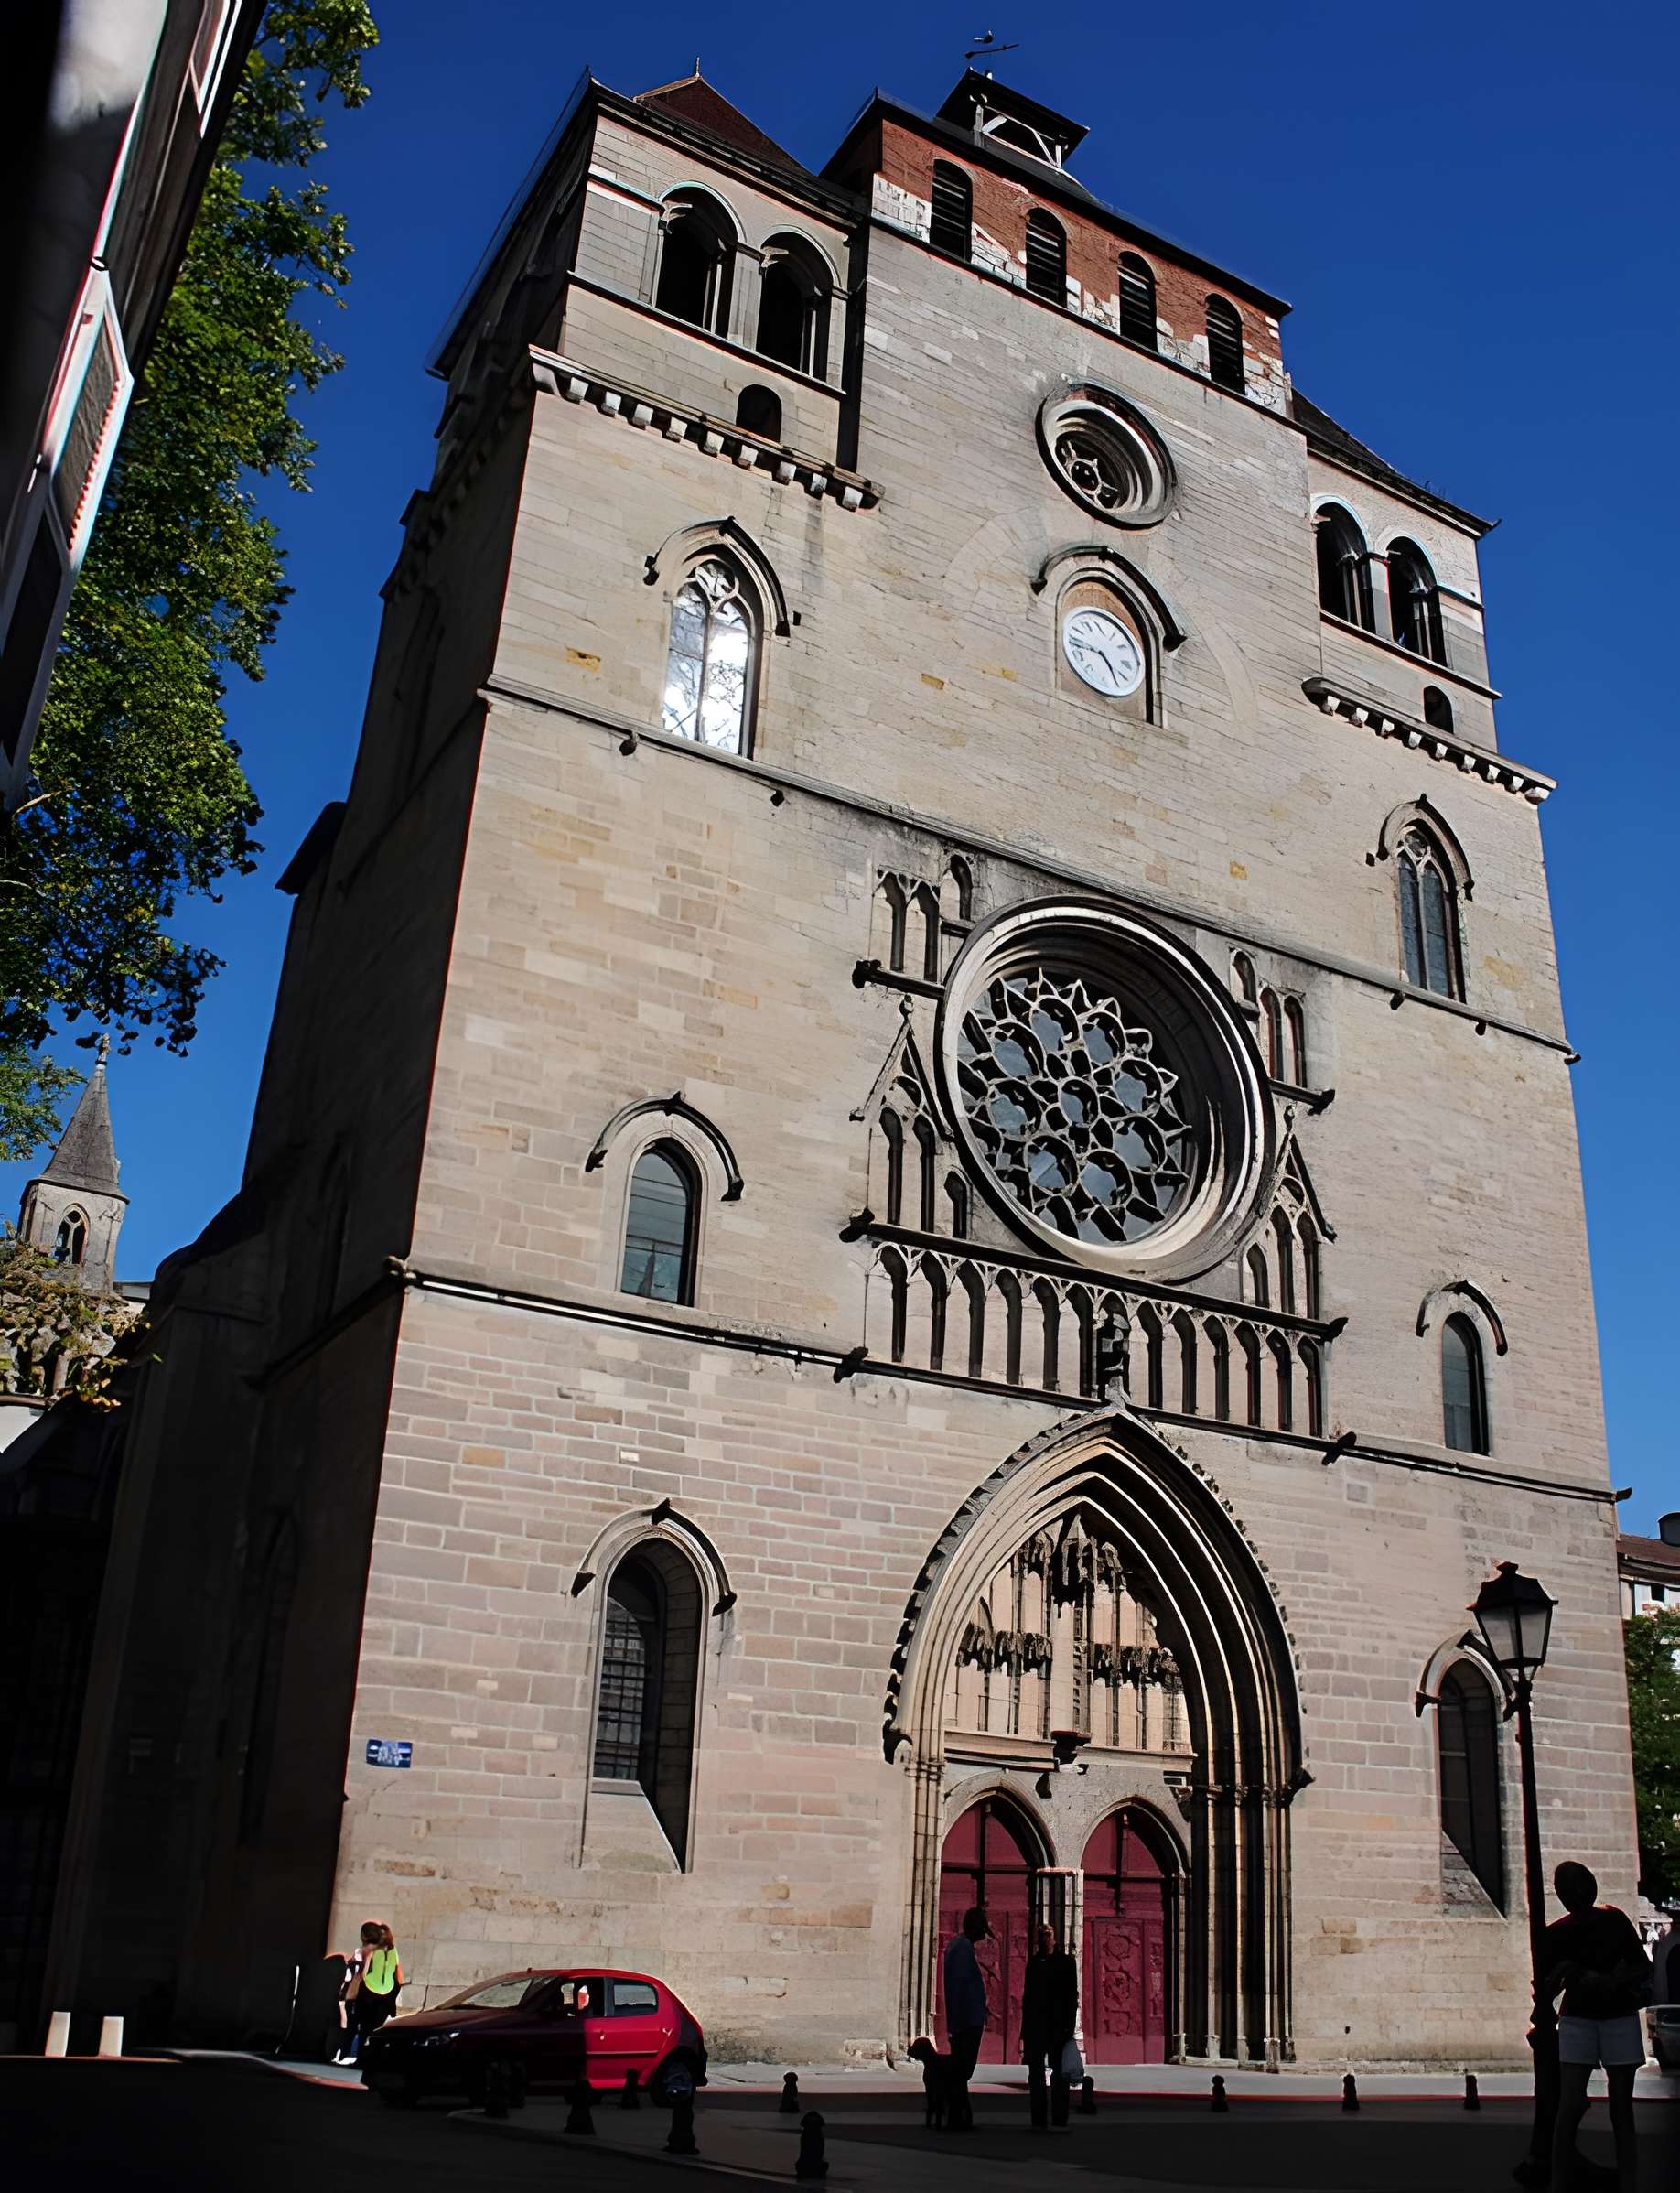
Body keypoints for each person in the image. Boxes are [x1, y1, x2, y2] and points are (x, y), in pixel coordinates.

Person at [1538, 1862, 1650, 2193]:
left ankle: (1623, 2179)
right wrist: (1563, 1973)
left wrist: (1610, 1980)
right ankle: (1565, 2179)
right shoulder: (1560, 1932)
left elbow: (1640, 1966)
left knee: (1612, 2105)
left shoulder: (1611, 1921)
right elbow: (1546, 1988)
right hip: (1586, 2018)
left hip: (1609, 2016)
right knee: (1577, 2104)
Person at [1020, 1921, 1079, 2129]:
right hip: (1037, 2027)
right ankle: (1038, 2117)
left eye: (1048, 1934)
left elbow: (1072, 1997)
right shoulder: (1033, 1964)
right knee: (1035, 2073)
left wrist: (1070, 2027)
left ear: (1054, 1937)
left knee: (1059, 2071)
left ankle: (1059, 2116)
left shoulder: (1066, 1963)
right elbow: (1027, 1999)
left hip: (1058, 2026)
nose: (1044, 1938)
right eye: (1041, 1935)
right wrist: (1024, 2032)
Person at [942, 1907, 990, 2131]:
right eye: (983, 1926)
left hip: (965, 2019)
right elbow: (960, 1988)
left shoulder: (960, 1946)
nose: (985, 1932)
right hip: (966, 2022)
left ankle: (959, 2114)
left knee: (961, 2070)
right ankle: (957, 2115)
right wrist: (960, 2024)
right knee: (963, 2069)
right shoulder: (961, 1948)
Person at [337, 1921, 404, 2065]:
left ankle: (347, 2054)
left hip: (366, 1994)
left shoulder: (366, 1951)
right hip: (385, 1996)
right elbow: (397, 1975)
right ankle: (364, 2058)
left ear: (364, 1936)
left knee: (355, 2026)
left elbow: (362, 1974)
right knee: (370, 2030)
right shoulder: (393, 1951)